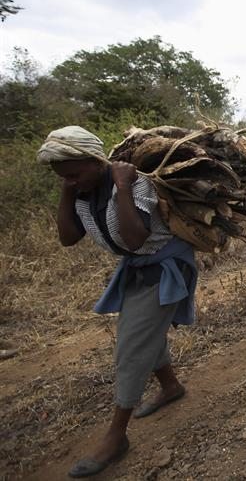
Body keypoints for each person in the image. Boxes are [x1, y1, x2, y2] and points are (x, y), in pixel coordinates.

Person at [37, 126, 197, 478]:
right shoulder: (83, 191)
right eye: (63, 178)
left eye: (75, 174)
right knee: (142, 334)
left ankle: (116, 436)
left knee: (131, 346)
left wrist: (123, 186)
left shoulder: (134, 183)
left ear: (97, 162)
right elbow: (67, 238)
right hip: (138, 269)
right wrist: (67, 193)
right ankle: (170, 386)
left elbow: (136, 236)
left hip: (164, 266)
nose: (72, 182)